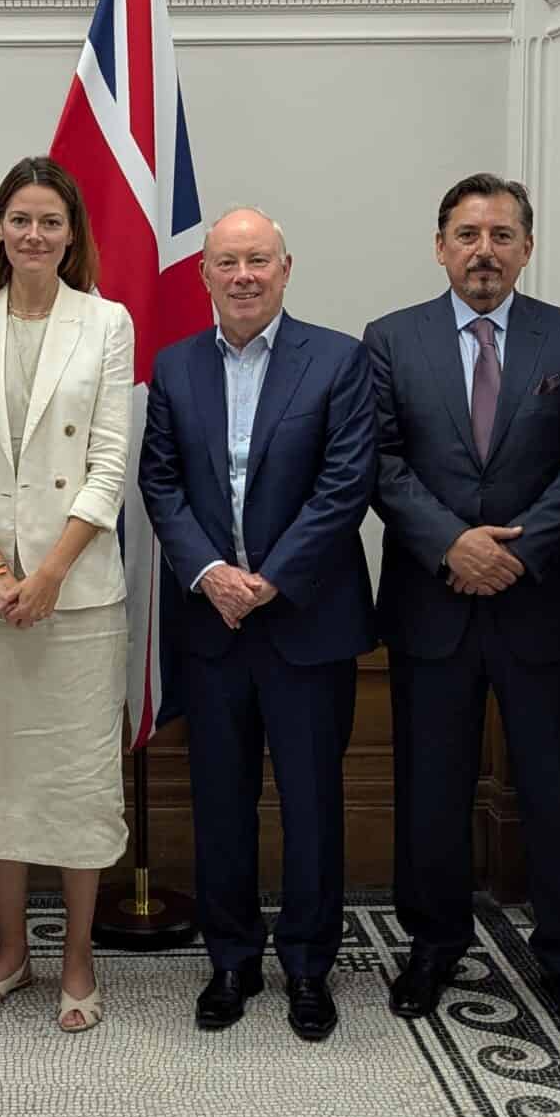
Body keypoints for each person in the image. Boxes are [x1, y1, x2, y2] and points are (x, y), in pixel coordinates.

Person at [365, 174, 560, 1036]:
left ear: (526, 248)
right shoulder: (391, 341)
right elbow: (380, 462)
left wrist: (515, 551)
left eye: (502, 235)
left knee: (554, 792)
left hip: (538, 604)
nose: (485, 250)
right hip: (431, 604)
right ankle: (434, 945)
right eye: (468, 234)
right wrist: (453, 545)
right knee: (429, 791)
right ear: (440, 246)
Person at [139, 207, 377, 1042]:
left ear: (286, 268)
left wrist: (270, 580)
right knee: (220, 802)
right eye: (228, 262)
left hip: (307, 621)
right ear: (203, 274)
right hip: (212, 626)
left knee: (312, 803)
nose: (243, 276)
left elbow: (346, 485)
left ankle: (310, 967)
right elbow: (159, 484)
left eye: (259, 261)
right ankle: (231, 960)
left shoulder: (340, 361)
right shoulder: (172, 369)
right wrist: (211, 574)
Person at [0, 157, 137, 1033]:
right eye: (20, 219)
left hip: (75, 600)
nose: (35, 235)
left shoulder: (106, 322)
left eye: (51, 221)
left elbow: (109, 463)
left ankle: (77, 954)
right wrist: (0, 570)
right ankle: (12, 948)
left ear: (72, 233)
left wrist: (46, 575)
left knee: (74, 781)